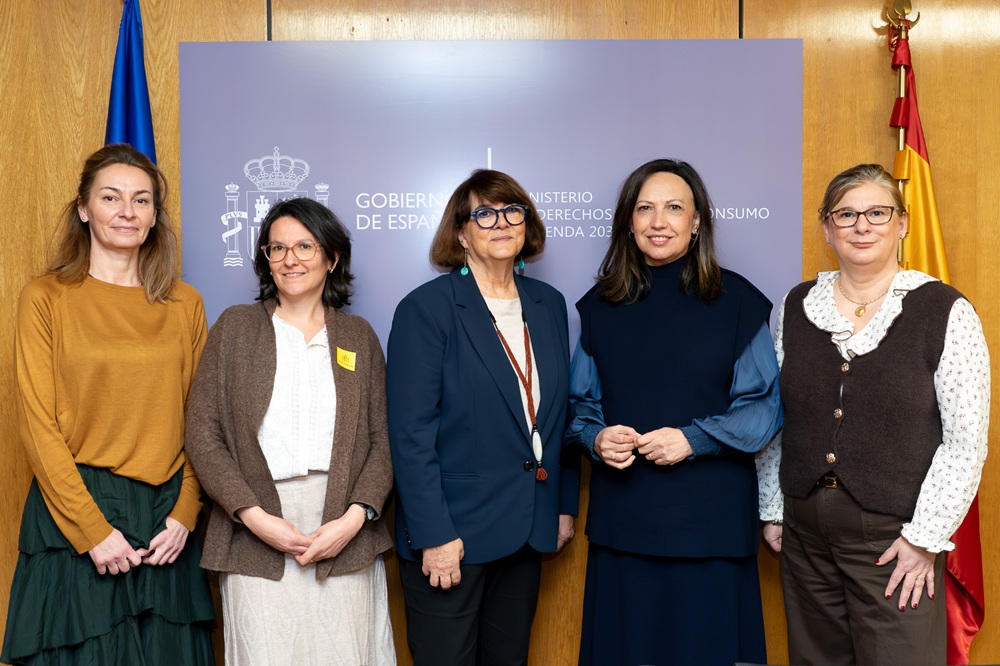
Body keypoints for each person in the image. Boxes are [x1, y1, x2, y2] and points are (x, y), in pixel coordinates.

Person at [756, 163, 990, 665]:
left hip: (895, 539)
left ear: (901, 223)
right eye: (846, 215)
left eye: (877, 213)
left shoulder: (945, 310)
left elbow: (966, 440)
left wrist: (923, 540)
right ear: (827, 228)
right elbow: (779, 418)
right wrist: (773, 508)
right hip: (804, 533)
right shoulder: (797, 305)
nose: (862, 226)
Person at [0, 144, 214, 665]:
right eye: (111, 197)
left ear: (155, 216)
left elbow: (203, 422)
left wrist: (186, 513)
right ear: (83, 208)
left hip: (167, 524)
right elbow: (38, 428)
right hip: (76, 512)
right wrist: (91, 530)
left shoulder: (185, 303)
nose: (127, 211)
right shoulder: (45, 297)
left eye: (141, 200)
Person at [566, 158, 783, 666]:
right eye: (645, 208)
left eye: (674, 208)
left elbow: (763, 409)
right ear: (629, 221)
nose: (658, 221)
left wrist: (692, 440)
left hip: (710, 528)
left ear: (697, 221)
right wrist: (596, 438)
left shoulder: (738, 301)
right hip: (624, 527)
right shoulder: (600, 305)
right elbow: (577, 407)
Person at [184, 197, 396, 665]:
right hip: (253, 530)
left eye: (304, 246)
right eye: (276, 248)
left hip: (343, 529)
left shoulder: (359, 337)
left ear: (331, 257)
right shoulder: (235, 328)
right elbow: (203, 434)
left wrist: (352, 520)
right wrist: (255, 517)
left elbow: (383, 443)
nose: (289, 259)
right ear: (265, 258)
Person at [387, 169, 579, 665]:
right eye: (485, 214)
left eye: (512, 211)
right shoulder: (427, 309)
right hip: (453, 534)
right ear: (460, 233)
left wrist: (561, 506)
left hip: (527, 527)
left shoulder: (549, 304)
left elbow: (559, 417)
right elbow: (410, 436)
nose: (502, 223)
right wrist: (434, 535)